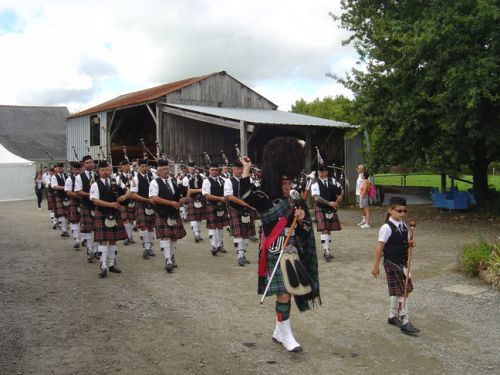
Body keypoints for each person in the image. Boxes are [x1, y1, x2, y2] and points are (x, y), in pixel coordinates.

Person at [240, 137, 321, 352]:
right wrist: (246, 169)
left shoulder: (296, 198)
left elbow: (304, 231)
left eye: (290, 183)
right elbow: (245, 194)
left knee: (291, 291)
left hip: (293, 250)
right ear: (276, 180)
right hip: (274, 250)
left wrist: (302, 218)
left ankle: (279, 330)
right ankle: (286, 334)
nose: (288, 187)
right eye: (284, 183)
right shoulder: (264, 197)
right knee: (284, 292)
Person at [371, 196, 419, 336]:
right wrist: (375, 267)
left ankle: (392, 316)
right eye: (399, 211)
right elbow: (379, 248)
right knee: (404, 290)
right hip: (391, 262)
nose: (402, 213)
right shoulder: (386, 227)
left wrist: (411, 244)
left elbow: (405, 243)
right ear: (390, 210)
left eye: (404, 211)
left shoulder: (404, 226)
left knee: (403, 290)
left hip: (401, 263)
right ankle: (405, 322)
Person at [90, 160, 129, 278]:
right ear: (98, 171)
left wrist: (126, 195)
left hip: (114, 214)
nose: (105, 172)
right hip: (103, 213)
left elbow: (124, 194)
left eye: (107, 170)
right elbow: (95, 200)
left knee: (113, 240)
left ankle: (112, 264)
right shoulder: (95, 184)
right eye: (102, 170)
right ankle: (103, 266)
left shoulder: (114, 183)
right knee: (103, 240)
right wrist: (110, 205)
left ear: (110, 170)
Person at [149, 159, 187, 273]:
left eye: (167, 169)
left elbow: (180, 195)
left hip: (174, 213)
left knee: (174, 236)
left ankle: (171, 255)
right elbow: (153, 198)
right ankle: (168, 260)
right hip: (163, 212)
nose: (166, 171)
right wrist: (170, 203)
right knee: (165, 236)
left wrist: (182, 199)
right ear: (158, 171)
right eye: (163, 169)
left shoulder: (174, 181)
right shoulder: (155, 182)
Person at [224, 159, 256, 266]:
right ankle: (240, 256)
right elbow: (230, 197)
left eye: (241, 168)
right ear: (233, 169)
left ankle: (243, 254)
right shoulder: (229, 181)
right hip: (235, 209)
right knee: (238, 233)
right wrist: (244, 204)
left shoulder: (249, 180)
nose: (240, 171)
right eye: (237, 169)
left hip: (247, 210)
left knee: (246, 233)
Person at [310, 164, 343, 261]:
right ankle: (326, 251)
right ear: (318, 173)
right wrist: (329, 203)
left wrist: (340, 196)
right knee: (324, 228)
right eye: (320, 172)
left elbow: (341, 189)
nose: (322, 174)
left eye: (324, 172)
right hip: (321, 207)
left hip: (331, 208)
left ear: (327, 172)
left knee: (328, 229)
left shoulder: (332, 180)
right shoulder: (315, 183)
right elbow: (316, 197)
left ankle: (327, 249)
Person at [130, 159, 157, 259]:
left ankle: (149, 247)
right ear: (139, 167)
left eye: (146, 166)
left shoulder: (153, 177)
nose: (144, 168)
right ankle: (146, 247)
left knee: (150, 226)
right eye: (142, 166)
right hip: (141, 204)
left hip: (152, 204)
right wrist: (147, 200)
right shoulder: (135, 179)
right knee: (143, 226)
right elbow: (133, 195)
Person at [75, 155, 99, 261]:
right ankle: (90, 250)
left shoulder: (98, 175)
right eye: (87, 163)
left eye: (91, 162)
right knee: (88, 229)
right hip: (86, 204)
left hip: (98, 205)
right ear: (83, 165)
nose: (90, 164)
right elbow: (78, 191)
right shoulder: (80, 177)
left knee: (98, 228)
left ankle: (97, 250)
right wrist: (90, 194)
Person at [202, 163, 229, 256]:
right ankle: (214, 246)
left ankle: (220, 244)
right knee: (212, 226)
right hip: (212, 205)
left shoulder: (223, 180)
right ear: (209, 171)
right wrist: (220, 198)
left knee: (220, 226)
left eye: (216, 170)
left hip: (221, 206)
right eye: (212, 170)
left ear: (219, 170)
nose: (214, 171)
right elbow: (206, 195)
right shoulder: (206, 181)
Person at [182, 162, 207, 242]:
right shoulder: (185, 178)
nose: (192, 170)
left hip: (200, 198)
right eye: (190, 168)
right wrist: (199, 190)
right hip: (192, 198)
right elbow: (187, 190)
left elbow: (205, 187)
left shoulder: (201, 176)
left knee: (199, 218)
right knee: (193, 218)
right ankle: (195, 234)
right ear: (188, 169)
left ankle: (198, 233)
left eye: (193, 168)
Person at [116, 160, 136, 245]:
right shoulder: (118, 177)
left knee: (131, 219)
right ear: (121, 167)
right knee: (125, 219)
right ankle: (127, 236)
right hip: (123, 200)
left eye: (128, 166)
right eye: (124, 166)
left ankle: (130, 236)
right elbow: (123, 187)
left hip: (132, 200)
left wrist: (132, 181)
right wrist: (129, 191)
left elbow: (135, 186)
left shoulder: (133, 176)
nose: (126, 167)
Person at [64, 162, 82, 249]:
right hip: (74, 201)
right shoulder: (69, 179)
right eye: (76, 169)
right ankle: (76, 240)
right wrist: (79, 195)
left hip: (83, 202)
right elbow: (68, 192)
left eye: (79, 169)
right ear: (72, 170)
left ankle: (84, 239)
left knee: (83, 221)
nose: (77, 171)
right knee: (74, 220)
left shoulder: (84, 178)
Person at [51, 162, 69, 237]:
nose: (60, 169)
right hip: (59, 196)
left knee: (67, 213)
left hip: (67, 196)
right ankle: (64, 230)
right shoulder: (54, 177)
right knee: (61, 214)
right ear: (57, 169)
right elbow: (54, 186)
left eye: (61, 168)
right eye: (59, 168)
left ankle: (65, 228)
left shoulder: (66, 175)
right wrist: (65, 188)